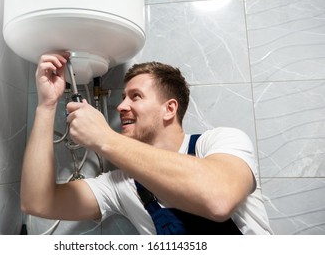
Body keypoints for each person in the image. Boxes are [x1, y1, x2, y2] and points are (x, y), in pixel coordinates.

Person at [21, 51, 273, 235]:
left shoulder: (219, 143)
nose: (120, 106)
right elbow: (37, 202)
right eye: (123, 98)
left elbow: (218, 199)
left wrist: (104, 137)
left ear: (169, 109)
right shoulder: (121, 185)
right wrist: (46, 106)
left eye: (136, 97)